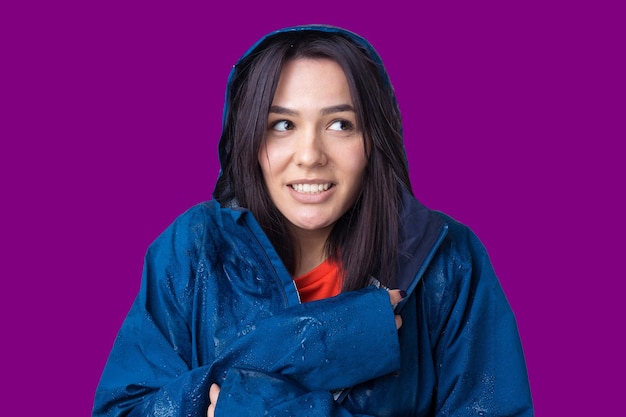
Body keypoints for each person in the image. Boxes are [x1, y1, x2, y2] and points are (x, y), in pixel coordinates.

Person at [93, 24, 534, 416]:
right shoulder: (190, 250)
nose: (310, 156)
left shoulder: (446, 260)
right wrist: (327, 339)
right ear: (248, 139)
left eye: (340, 124)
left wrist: (251, 403)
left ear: (374, 140)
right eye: (281, 125)